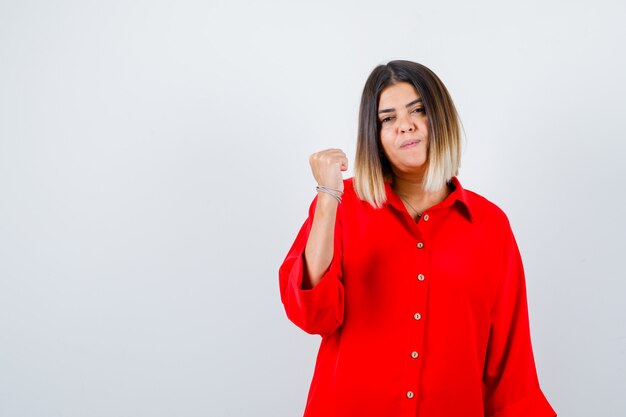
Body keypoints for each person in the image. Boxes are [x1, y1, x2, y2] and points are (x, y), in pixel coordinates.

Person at [278, 60, 557, 417]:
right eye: (387, 118)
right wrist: (328, 197)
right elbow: (313, 316)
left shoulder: (490, 226)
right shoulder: (341, 207)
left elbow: (509, 367)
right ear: (375, 136)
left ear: (440, 119)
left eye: (418, 110)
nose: (404, 125)